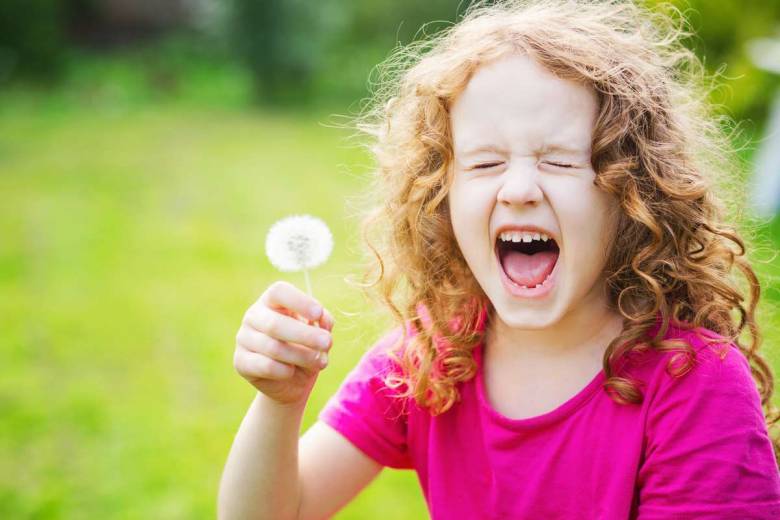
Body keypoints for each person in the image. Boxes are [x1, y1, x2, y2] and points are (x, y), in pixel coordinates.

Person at [218, 1, 780, 518]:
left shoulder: (692, 384)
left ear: (632, 192)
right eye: (484, 163)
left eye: (559, 161)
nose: (517, 189)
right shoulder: (431, 357)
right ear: (441, 194)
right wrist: (280, 405)